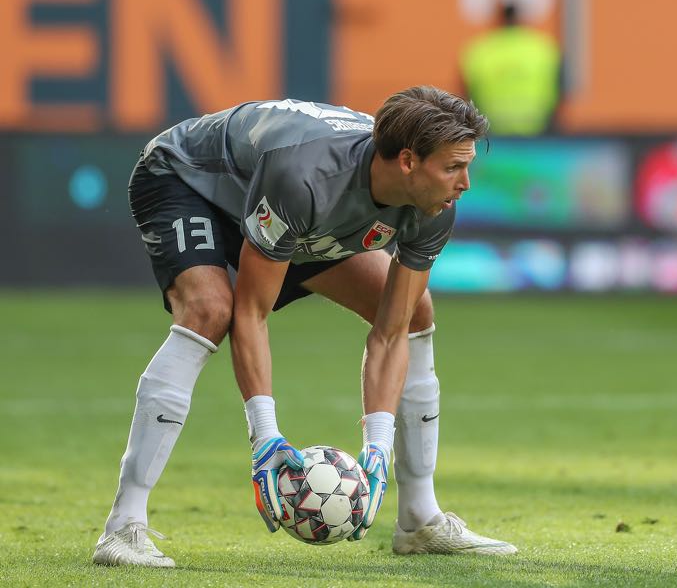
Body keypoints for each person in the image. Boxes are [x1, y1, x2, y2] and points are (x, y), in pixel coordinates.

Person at [92, 86, 518, 567]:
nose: (465, 183)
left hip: (292, 215)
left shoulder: (433, 207)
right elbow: (251, 313)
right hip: (188, 180)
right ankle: (123, 528)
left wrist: (377, 445)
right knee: (212, 310)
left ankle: (419, 520)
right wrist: (266, 439)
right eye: (452, 168)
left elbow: (391, 332)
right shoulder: (307, 177)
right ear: (406, 162)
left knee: (414, 311)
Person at [460, 1, 561, 135]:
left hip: (492, 133)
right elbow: (560, 90)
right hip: (537, 131)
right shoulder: (544, 48)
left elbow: (467, 95)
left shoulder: (479, 50)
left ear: (499, 17)